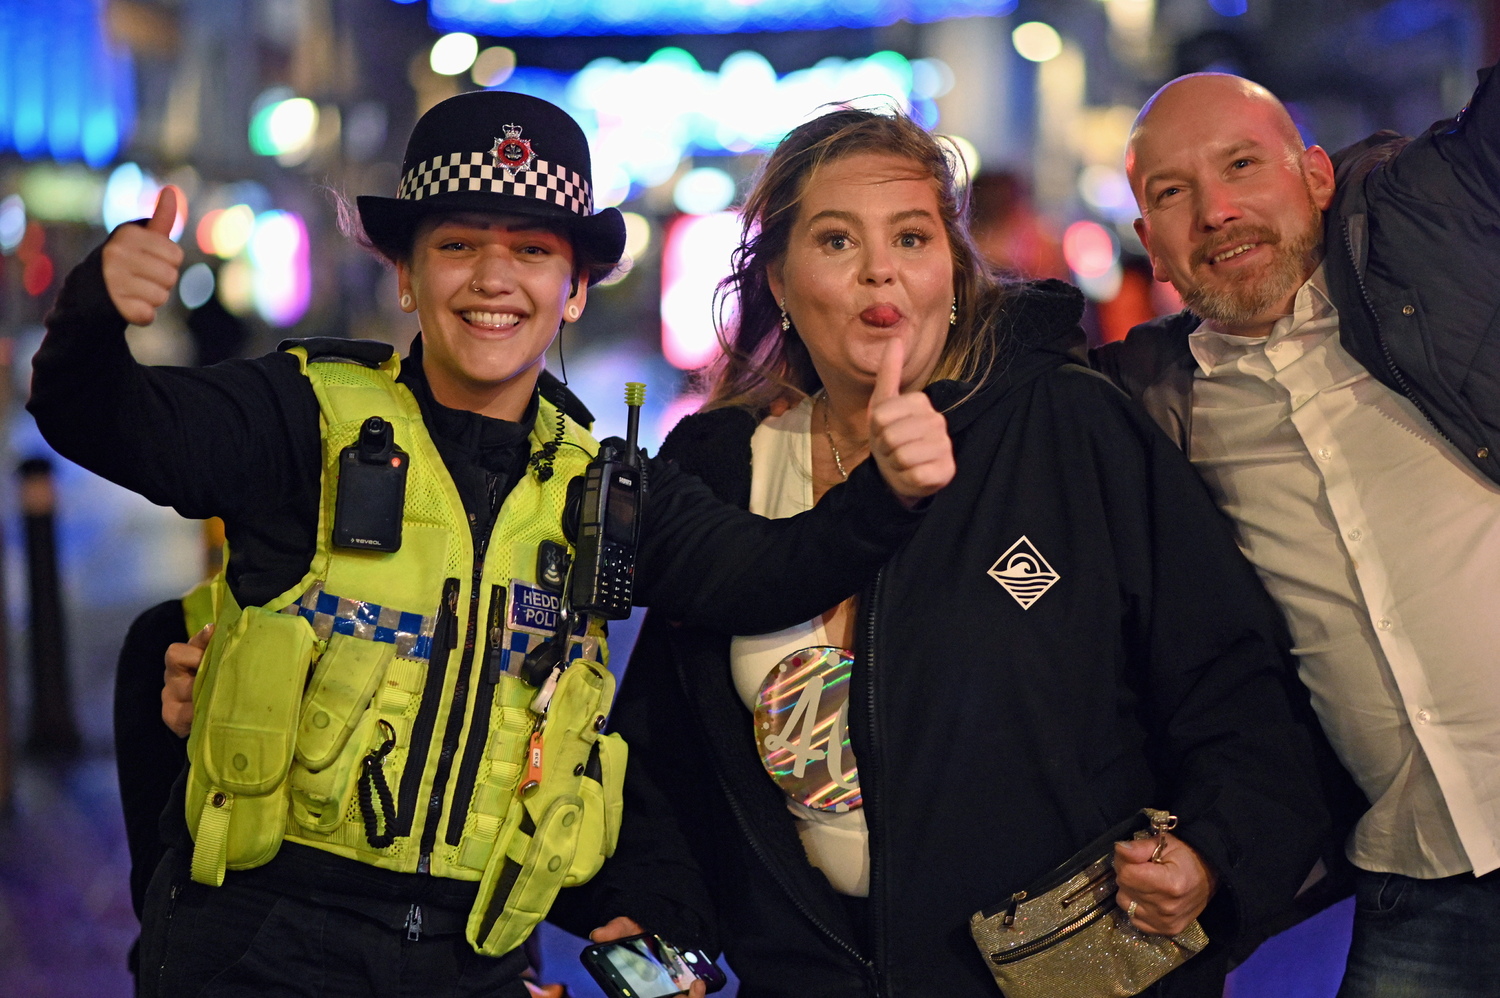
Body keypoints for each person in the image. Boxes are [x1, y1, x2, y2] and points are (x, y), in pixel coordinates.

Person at [28, 90, 953, 997]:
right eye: (458, 245)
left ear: (575, 289)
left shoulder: (605, 491)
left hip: (474, 960)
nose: (493, 279)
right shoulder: (299, 416)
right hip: (260, 949)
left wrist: (886, 490)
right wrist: (96, 315)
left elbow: (768, 575)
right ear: (405, 274)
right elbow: (98, 417)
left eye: (533, 251)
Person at [574, 106, 1333, 997]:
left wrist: (1210, 855)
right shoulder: (721, 467)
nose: (880, 269)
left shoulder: (1067, 426)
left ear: (956, 271)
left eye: (911, 236)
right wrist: (659, 923)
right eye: (836, 240)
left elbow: (1237, 688)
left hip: (1063, 977)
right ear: (777, 277)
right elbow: (670, 762)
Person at [1098, 66, 1500, 996]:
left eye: (1243, 165)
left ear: (1316, 177)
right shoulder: (1151, 404)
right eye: (1173, 193)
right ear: (1150, 244)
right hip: (1418, 880)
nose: (1216, 211)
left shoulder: (1433, 247)